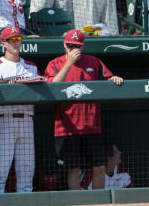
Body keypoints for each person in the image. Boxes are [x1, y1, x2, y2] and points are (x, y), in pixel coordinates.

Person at [46, 29, 124, 190]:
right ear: (64, 45)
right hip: (66, 127)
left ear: (83, 46)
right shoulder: (55, 63)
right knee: (74, 169)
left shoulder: (94, 62)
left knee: (99, 168)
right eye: (70, 46)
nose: (74, 49)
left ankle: (97, 205)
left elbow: (108, 77)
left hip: (91, 125)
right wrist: (69, 63)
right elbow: (52, 87)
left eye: (77, 46)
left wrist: (113, 78)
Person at [0, 26, 41, 194]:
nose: (16, 43)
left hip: (27, 119)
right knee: (1, 168)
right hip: (5, 119)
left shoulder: (31, 66)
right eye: (12, 40)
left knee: (27, 169)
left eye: (18, 39)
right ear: (3, 43)